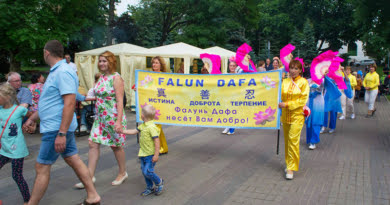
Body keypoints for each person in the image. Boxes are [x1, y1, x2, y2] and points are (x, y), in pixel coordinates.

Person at [23, 40, 100, 205]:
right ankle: (93, 196)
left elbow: (70, 102)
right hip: (58, 127)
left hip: (56, 129)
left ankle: (31, 204)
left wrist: (62, 133)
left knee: (42, 167)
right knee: (73, 159)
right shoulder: (58, 71)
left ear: (46, 53)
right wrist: (32, 118)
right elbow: (50, 102)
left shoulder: (62, 72)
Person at [74, 51, 128, 189]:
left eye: (104, 61)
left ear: (111, 62)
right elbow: (97, 96)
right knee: (93, 143)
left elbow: (120, 101)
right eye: (100, 61)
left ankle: (122, 173)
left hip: (113, 116)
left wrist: (118, 121)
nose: (101, 63)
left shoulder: (116, 78)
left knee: (115, 146)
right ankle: (89, 176)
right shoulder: (101, 77)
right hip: (100, 117)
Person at [120, 104, 164, 196]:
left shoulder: (152, 127)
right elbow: (134, 131)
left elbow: (157, 141)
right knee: (144, 172)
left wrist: (156, 155)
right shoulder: (143, 125)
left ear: (142, 116)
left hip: (150, 154)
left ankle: (159, 182)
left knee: (147, 171)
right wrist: (122, 131)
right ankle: (150, 187)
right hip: (143, 154)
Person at [0, 83, 30, 204]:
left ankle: (28, 200)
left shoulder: (19, 110)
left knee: (16, 176)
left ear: (7, 97)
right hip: (3, 149)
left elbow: (31, 116)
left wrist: (30, 125)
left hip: (17, 149)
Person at [279, 59, 309, 180]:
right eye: (291, 68)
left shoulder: (303, 82)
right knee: (287, 141)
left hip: (297, 116)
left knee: (293, 140)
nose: (293, 71)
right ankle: (288, 163)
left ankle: (291, 167)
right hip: (285, 116)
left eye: (296, 68)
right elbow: (278, 95)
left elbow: (302, 100)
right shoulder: (284, 81)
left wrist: (287, 104)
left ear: (300, 70)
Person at [150, 56, 169, 154]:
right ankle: (163, 147)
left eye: (157, 63)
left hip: (160, 104)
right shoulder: (148, 75)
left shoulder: (163, 76)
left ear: (161, 65)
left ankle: (156, 148)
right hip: (150, 103)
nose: (154, 64)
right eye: (153, 63)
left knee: (156, 127)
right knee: (155, 126)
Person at [222, 58, 238, 135]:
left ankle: (232, 129)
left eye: (233, 66)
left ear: (236, 67)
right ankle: (227, 126)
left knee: (233, 112)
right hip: (227, 96)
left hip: (235, 96)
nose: (232, 67)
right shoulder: (226, 75)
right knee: (227, 112)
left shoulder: (239, 75)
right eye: (231, 66)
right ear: (229, 67)